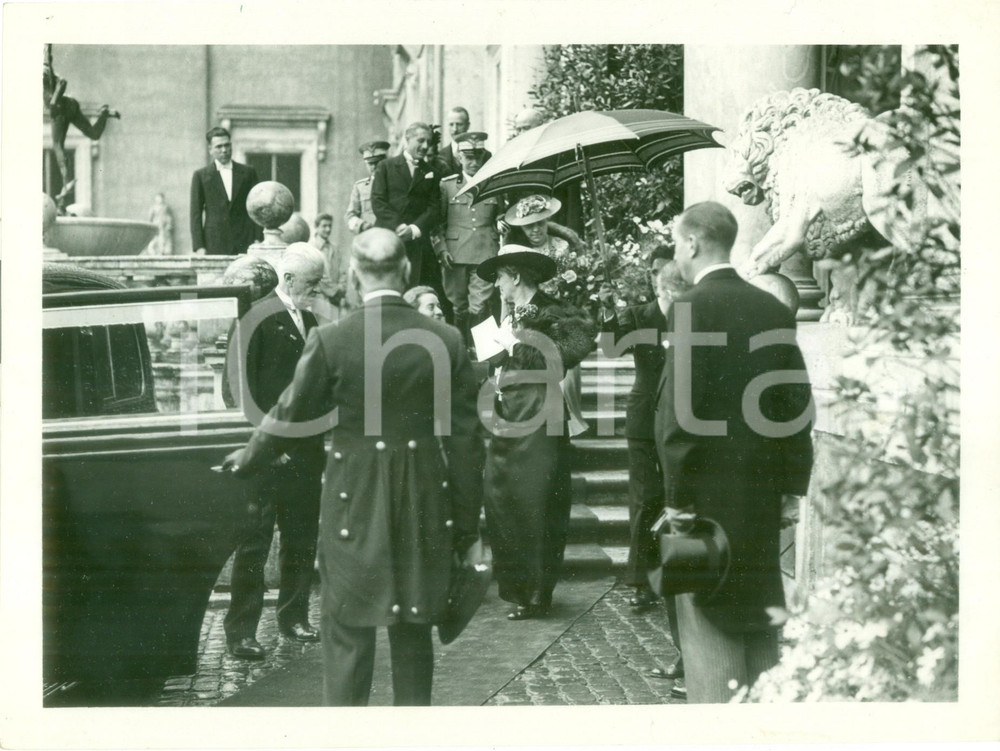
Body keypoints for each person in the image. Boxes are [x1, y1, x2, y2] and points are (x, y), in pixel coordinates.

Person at [222, 228, 483, 706]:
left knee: (346, 636)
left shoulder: (331, 339)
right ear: (405, 273)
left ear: (354, 276)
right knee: (412, 633)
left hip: (352, 504)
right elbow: (467, 446)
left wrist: (246, 458)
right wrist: (466, 530)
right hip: (424, 502)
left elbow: (287, 413)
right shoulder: (445, 339)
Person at [654, 201, 814, 703]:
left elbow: (677, 418)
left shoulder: (690, 309)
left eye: (678, 244)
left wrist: (677, 502)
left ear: (692, 244)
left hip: (706, 505)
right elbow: (795, 407)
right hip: (762, 497)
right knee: (761, 623)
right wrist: (791, 490)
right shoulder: (771, 307)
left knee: (710, 636)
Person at [477, 244, 596, 621]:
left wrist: (521, 343)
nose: (496, 285)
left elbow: (574, 348)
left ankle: (537, 592)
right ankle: (517, 588)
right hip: (508, 412)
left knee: (538, 499)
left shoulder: (553, 310)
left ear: (514, 276)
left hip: (541, 413)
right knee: (502, 496)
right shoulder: (503, 313)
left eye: (499, 277)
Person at [222, 243, 328, 659]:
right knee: (254, 542)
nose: (316, 291)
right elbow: (237, 388)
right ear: (288, 280)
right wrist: (265, 446)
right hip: (266, 454)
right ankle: (242, 631)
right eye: (311, 283)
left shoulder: (312, 319)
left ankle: (294, 617)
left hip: (306, 451)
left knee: (301, 537)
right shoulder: (253, 316)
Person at [505, 195, 589, 436]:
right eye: (529, 225)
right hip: (531, 314)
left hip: (558, 311)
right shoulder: (519, 252)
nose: (535, 230)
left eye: (539, 224)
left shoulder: (561, 247)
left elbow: (575, 279)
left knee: (569, 366)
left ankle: (573, 422)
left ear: (547, 221)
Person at [437, 131, 502, 341]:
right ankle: (461, 348)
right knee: (459, 305)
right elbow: (437, 223)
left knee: (480, 303)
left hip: (485, 251)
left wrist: (501, 220)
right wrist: (441, 249)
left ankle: (482, 351)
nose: (474, 162)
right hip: (455, 255)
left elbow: (499, 213)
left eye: (478, 157)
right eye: (469, 157)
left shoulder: (493, 184)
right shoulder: (446, 186)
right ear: (459, 158)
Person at [370, 123, 444, 303]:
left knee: (422, 292)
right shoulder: (386, 167)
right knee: (386, 290)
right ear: (407, 140)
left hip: (418, 245)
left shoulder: (432, 173)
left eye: (428, 142)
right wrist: (399, 226)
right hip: (389, 240)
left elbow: (434, 208)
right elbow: (378, 201)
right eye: (420, 141)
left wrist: (415, 229)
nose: (426, 146)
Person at [43, 44, 120, 208]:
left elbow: (47, 64)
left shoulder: (42, 76)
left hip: (57, 108)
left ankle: (65, 182)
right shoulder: (47, 75)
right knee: (93, 134)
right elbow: (48, 62)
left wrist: (46, 49)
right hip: (70, 104)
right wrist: (47, 48)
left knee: (57, 145)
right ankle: (103, 114)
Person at [190, 127, 262, 255]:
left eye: (227, 145)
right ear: (210, 150)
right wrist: (199, 246)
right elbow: (195, 214)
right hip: (214, 244)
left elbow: (257, 207)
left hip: (245, 242)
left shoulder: (248, 173)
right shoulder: (201, 176)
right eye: (219, 147)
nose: (224, 150)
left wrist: (258, 239)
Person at [345, 141, 390, 236]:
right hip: (368, 237)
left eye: (377, 162)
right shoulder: (360, 187)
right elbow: (350, 216)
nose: (374, 167)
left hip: (390, 236)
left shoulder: (395, 183)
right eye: (370, 163)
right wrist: (362, 225)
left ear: (385, 161)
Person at [311, 213, 346, 307]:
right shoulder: (310, 249)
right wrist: (334, 292)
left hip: (336, 300)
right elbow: (317, 276)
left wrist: (341, 288)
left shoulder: (335, 248)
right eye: (324, 226)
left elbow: (343, 272)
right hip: (318, 299)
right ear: (316, 227)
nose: (328, 229)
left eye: (330, 226)